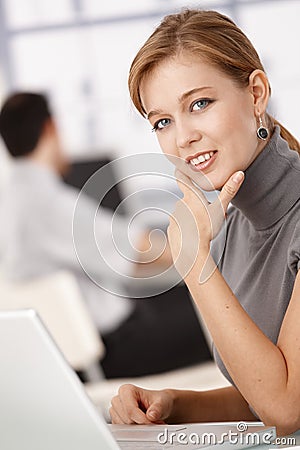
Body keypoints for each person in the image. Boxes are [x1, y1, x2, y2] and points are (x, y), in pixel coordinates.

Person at [109, 9, 300, 436]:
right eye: (162, 122)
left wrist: (192, 259)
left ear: (256, 94)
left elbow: (287, 409)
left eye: (199, 104)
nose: (183, 138)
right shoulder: (227, 231)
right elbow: (257, 396)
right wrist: (173, 405)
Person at [0, 91, 212, 379]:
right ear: (50, 128)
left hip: (57, 358)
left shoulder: (10, 200)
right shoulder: (46, 201)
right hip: (115, 351)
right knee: (222, 310)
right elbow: (142, 249)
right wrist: (209, 240)